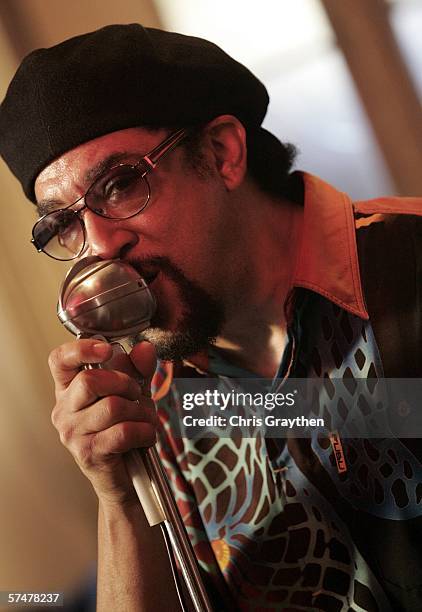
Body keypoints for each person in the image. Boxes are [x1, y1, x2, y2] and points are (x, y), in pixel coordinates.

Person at [1, 23, 421, 612]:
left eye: (121, 184)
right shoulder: (151, 398)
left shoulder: (410, 262)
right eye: (65, 223)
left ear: (222, 153)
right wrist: (120, 497)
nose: (99, 246)